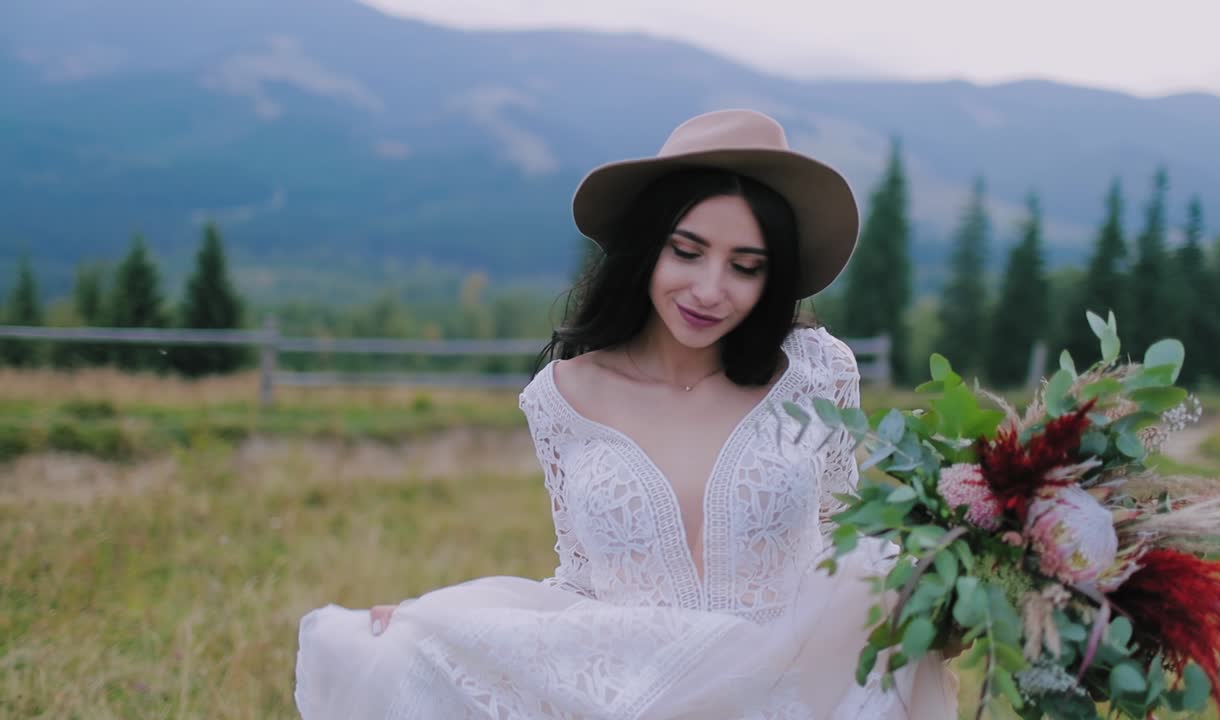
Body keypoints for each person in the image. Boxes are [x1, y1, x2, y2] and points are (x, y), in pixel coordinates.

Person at [294, 109, 958, 719]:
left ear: (772, 277)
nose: (709, 290)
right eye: (687, 251)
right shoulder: (564, 397)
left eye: (745, 266)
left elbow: (845, 541)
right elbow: (580, 586)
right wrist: (430, 624)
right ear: (648, 248)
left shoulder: (816, 371)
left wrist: (944, 580)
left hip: (798, 692)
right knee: (396, 652)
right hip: (643, 691)